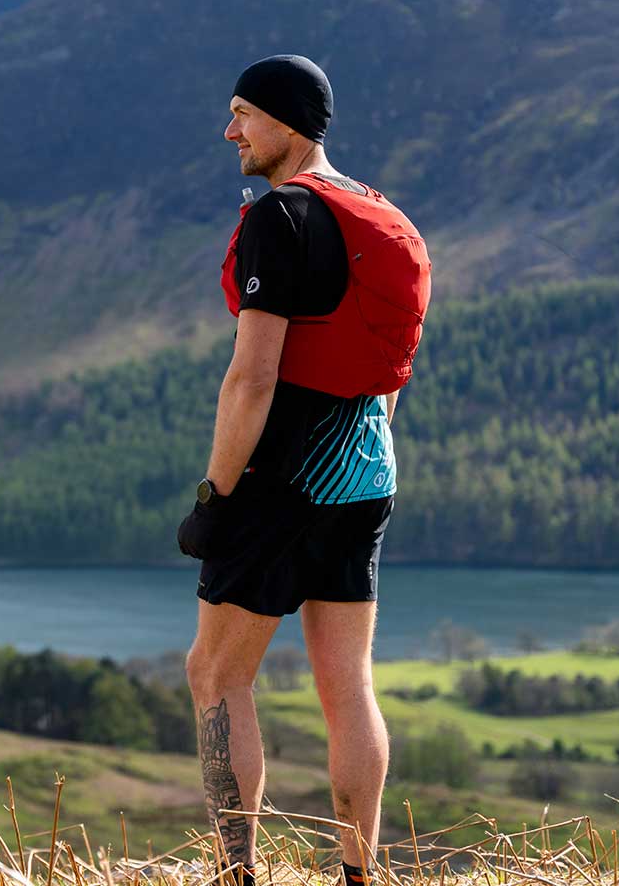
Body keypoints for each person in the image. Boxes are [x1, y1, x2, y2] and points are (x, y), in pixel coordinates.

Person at [176, 55, 429, 886]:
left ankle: (235, 873)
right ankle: (359, 872)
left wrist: (217, 494)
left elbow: (252, 376)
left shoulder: (278, 219)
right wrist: (357, 465)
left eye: (243, 112)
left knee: (216, 673)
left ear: (286, 122)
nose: (231, 131)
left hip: (279, 477)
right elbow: (390, 373)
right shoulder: (382, 214)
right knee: (346, 682)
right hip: (365, 471)